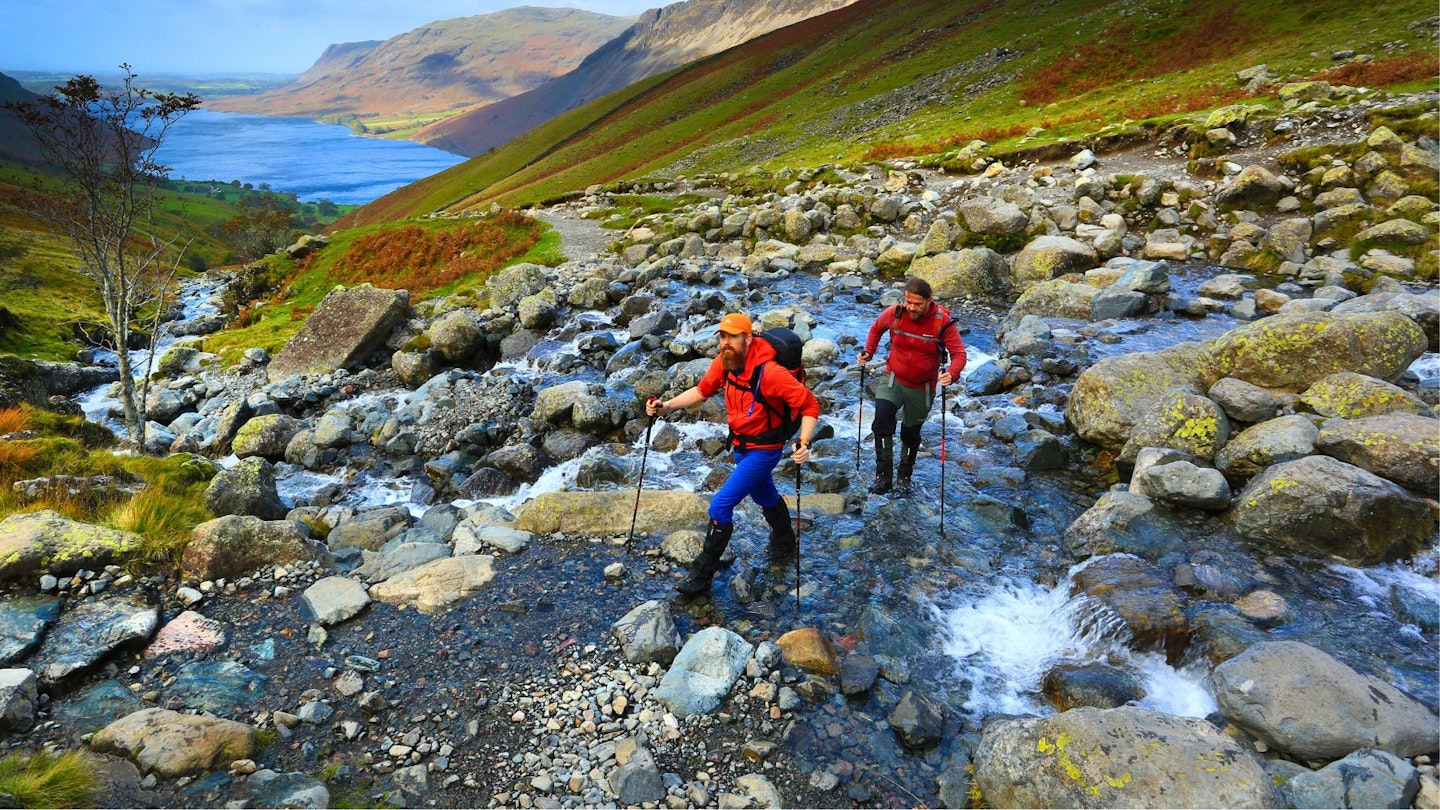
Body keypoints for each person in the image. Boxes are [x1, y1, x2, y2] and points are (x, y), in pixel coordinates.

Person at [647, 312, 820, 596]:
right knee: (764, 495)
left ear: (748, 339)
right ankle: (785, 542)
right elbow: (702, 391)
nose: (726, 342)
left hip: (764, 451)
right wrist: (667, 406)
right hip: (740, 446)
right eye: (723, 337)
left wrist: (804, 442)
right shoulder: (725, 362)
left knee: (719, 507)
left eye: (732, 337)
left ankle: (701, 577)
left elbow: (810, 405)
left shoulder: (771, 373)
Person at [857, 277, 966, 494]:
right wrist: (869, 351)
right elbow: (876, 328)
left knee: (910, 433)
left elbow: (959, 354)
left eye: (917, 304)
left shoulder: (941, 322)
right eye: (908, 302)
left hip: (922, 387)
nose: (912, 308)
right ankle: (883, 476)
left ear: (929, 301)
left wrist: (952, 374)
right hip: (893, 378)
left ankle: (904, 476)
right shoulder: (895, 313)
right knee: (882, 421)